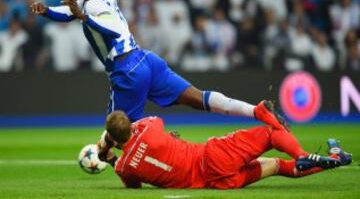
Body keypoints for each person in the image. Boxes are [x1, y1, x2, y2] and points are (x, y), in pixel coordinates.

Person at [30, 0, 288, 132]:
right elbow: (68, 11)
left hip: (126, 69)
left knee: (117, 130)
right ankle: (256, 110)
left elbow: (115, 29)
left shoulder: (94, 8)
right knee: (197, 98)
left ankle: (160, 137)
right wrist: (47, 11)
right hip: (146, 60)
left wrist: (84, 18)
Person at [97, 110, 352, 189]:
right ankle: (302, 155)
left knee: (276, 166)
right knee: (270, 133)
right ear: (129, 127)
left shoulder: (123, 167)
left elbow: (134, 185)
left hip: (220, 182)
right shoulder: (150, 128)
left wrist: (109, 155)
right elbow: (149, 123)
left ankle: (335, 158)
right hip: (213, 157)